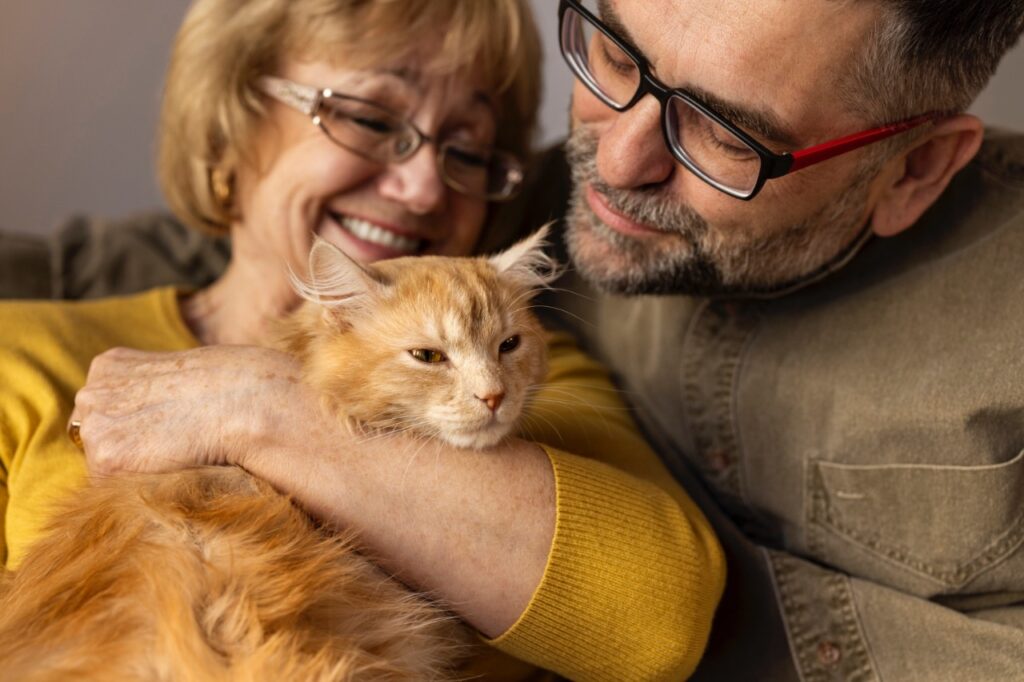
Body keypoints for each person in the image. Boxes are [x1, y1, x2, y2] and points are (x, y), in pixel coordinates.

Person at [0, 1, 724, 680]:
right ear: (230, 124)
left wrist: (264, 408)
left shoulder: (536, 367)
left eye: (467, 153)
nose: (422, 188)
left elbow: (660, 622)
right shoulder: (21, 349)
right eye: (372, 120)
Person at [513, 1, 1020, 679]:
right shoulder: (512, 215)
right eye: (616, 57)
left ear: (914, 169)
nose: (617, 160)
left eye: (724, 134)